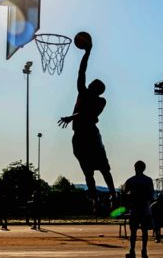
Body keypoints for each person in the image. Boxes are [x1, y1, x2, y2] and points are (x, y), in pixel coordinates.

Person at [58, 33, 115, 213]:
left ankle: (113, 195)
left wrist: (71, 117)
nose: (89, 85)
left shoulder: (100, 102)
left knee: (104, 169)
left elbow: (86, 114)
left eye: (93, 85)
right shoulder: (83, 92)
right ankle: (94, 199)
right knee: (88, 172)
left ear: (97, 90)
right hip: (79, 136)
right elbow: (81, 72)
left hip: (91, 134)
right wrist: (86, 53)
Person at [123, 160, 154, 258]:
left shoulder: (131, 180)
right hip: (145, 208)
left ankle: (132, 250)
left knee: (133, 232)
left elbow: (124, 191)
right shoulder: (148, 180)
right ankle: (144, 251)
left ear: (135, 168)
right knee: (144, 231)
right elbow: (151, 194)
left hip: (135, 208)